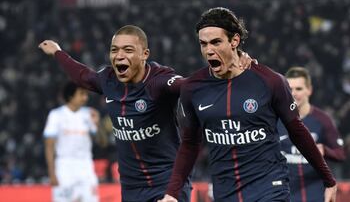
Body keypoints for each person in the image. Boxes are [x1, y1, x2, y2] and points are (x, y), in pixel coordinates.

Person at [39, 25, 254, 201]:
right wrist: (57, 52)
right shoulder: (108, 80)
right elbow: (82, 76)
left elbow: (188, 85)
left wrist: (232, 66)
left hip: (168, 184)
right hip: (132, 189)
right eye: (114, 50)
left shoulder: (158, 81)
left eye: (128, 50)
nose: (119, 56)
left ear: (144, 54)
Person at [158, 7, 337, 202]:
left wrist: (327, 179)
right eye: (203, 44)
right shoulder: (193, 88)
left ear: (234, 41)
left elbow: (298, 132)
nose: (209, 50)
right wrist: (172, 192)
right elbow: (191, 143)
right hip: (225, 191)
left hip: (269, 187)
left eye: (216, 42)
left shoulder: (270, 82)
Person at [278, 66, 345, 202]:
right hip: (284, 193)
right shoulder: (276, 119)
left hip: (314, 192)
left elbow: (340, 154)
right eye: (290, 89)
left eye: (299, 89)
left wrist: (324, 150)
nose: (294, 94)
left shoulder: (322, 120)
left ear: (309, 90)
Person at [44, 81, 100, 202]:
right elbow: (49, 146)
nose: (85, 97)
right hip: (64, 166)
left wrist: (96, 125)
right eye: (82, 94)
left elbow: (99, 142)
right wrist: (51, 173)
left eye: (86, 94)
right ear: (70, 96)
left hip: (85, 165)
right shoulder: (56, 115)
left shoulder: (89, 114)